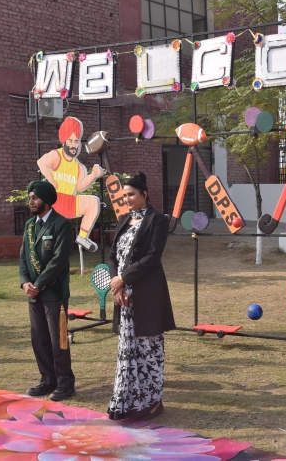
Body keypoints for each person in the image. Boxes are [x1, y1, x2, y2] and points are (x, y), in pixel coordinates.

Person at [107, 172, 175, 420]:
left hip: (147, 295)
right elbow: (112, 256)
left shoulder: (158, 220)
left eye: (131, 194)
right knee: (128, 350)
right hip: (124, 296)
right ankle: (128, 403)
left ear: (144, 194)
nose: (127, 199)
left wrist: (124, 278)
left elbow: (152, 257)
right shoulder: (123, 219)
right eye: (124, 196)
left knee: (148, 351)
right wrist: (117, 285)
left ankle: (153, 404)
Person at [19, 180, 76, 401]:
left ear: (46, 199)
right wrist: (25, 282)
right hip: (34, 294)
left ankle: (65, 383)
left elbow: (59, 260)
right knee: (39, 339)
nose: (31, 201)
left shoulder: (61, 224)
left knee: (57, 340)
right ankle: (47, 380)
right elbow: (23, 257)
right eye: (30, 198)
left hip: (54, 293)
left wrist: (39, 284)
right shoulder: (30, 225)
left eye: (35, 197)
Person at [37, 116, 104, 252]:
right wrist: (52, 181)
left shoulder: (78, 166)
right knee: (51, 242)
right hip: (55, 202)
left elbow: (80, 186)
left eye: (76, 141)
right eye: (70, 140)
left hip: (69, 203)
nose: (74, 145)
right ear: (64, 140)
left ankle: (82, 237)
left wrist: (93, 175)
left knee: (93, 202)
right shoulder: (56, 155)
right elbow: (41, 162)